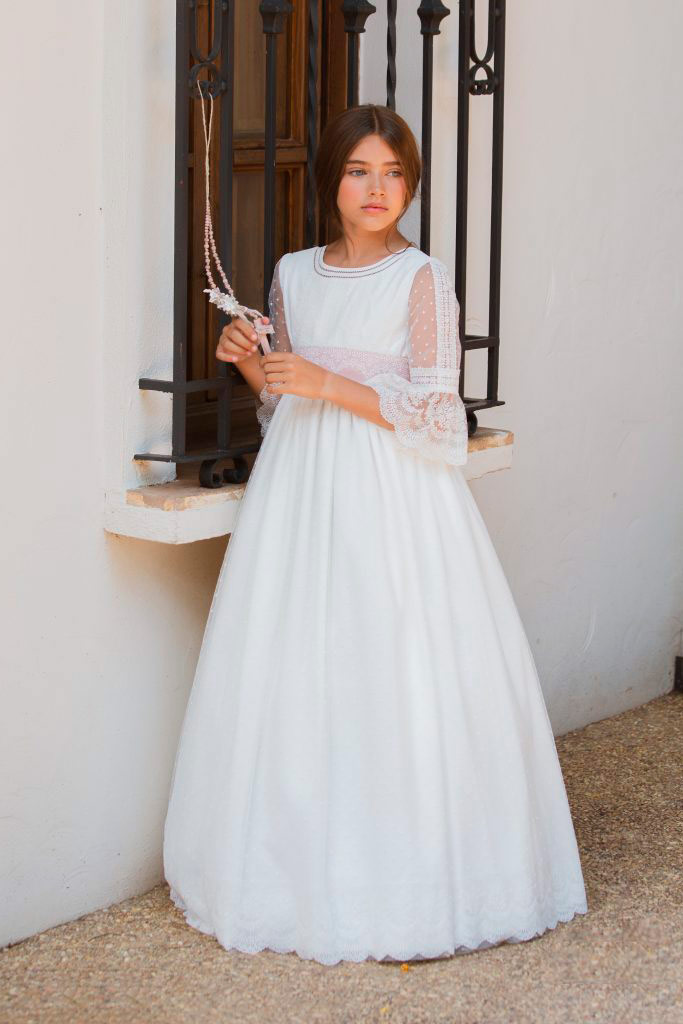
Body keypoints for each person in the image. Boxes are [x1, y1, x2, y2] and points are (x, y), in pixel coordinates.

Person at [163, 103, 588, 965]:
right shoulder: (292, 273)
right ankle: (294, 871)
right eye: (359, 171)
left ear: (410, 185)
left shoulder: (421, 278)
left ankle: (416, 878)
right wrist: (250, 362)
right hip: (299, 495)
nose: (376, 189)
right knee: (299, 663)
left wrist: (327, 380)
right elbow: (282, 400)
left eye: (393, 174)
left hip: (394, 496)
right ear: (331, 180)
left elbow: (438, 417)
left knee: (395, 660)